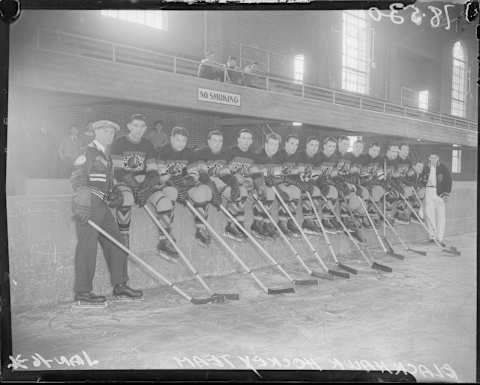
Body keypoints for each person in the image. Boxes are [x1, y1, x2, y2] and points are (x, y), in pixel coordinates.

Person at [70, 120, 143, 307]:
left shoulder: (105, 155)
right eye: (105, 130)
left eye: (111, 131)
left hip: (102, 204)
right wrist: (82, 202)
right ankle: (83, 291)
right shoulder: (86, 152)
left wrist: (114, 194)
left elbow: (106, 181)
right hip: (89, 203)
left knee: (117, 241)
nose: (109, 134)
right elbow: (78, 177)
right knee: (87, 246)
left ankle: (120, 285)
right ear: (95, 132)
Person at [110, 113, 176, 259]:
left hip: (142, 181)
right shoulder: (118, 143)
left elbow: (152, 170)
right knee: (126, 199)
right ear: (129, 127)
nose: (138, 129)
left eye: (141, 126)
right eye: (135, 126)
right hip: (124, 182)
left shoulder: (147, 144)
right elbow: (119, 171)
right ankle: (124, 238)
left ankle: (164, 242)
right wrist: (136, 188)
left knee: (164, 202)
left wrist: (147, 186)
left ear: (145, 128)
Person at [158, 126, 214, 247]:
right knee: (170, 194)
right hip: (168, 185)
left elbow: (193, 174)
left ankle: (200, 229)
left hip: (184, 184)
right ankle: (165, 235)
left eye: (184, 140)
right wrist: (175, 183)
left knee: (202, 191)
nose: (181, 143)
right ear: (171, 138)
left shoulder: (190, 153)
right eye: (178, 139)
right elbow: (161, 177)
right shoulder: (162, 151)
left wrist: (186, 182)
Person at [193, 129, 248, 242]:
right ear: (208, 141)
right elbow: (203, 175)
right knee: (206, 191)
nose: (217, 144)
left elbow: (225, 173)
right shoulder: (200, 153)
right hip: (203, 184)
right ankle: (200, 228)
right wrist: (213, 186)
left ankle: (231, 226)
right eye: (214, 140)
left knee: (240, 193)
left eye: (220, 141)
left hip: (218, 183)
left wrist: (233, 182)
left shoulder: (226, 154)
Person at [421, 154, 452, 245]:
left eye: (435, 158)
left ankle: (440, 237)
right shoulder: (426, 168)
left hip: (440, 193)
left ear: (438, 158)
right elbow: (422, 180)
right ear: (429, 159)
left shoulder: (443, 168)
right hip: (428, 191)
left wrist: (447, 193)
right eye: (431, 158)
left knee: (441, 215)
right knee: (430, 214)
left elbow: (449, 180)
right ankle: (432, 236)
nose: (433, 160)